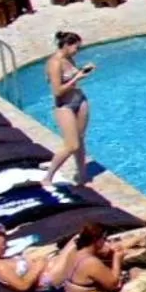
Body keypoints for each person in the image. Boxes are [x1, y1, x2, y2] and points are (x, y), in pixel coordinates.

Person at [62, 224, 146, 292]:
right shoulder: (90, 262)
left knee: (135, 271)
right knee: (137, 285)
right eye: (104, 239)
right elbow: (115, 284)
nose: (106, 243)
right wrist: (117, 259)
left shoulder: (75, 253)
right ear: (97, 241)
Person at [43, 31, 94, 187]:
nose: (77, 51)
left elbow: (72, 78)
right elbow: (57, 91)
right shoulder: (55, 63)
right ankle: (48, 177)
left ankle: (82, 175)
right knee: (72, 145)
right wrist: (77, 78)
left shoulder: (69, 58)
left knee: (80, 138)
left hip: (80, 100)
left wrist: (82, 71)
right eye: (75, 48)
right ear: (66, 45)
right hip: (64, 105)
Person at [0, 228, 76, 292]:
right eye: (2, 244)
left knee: (77, 243)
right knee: (78, 245)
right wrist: (37, 268)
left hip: (50, 269)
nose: (6, 246)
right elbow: (22, 286)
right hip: (47, 279)